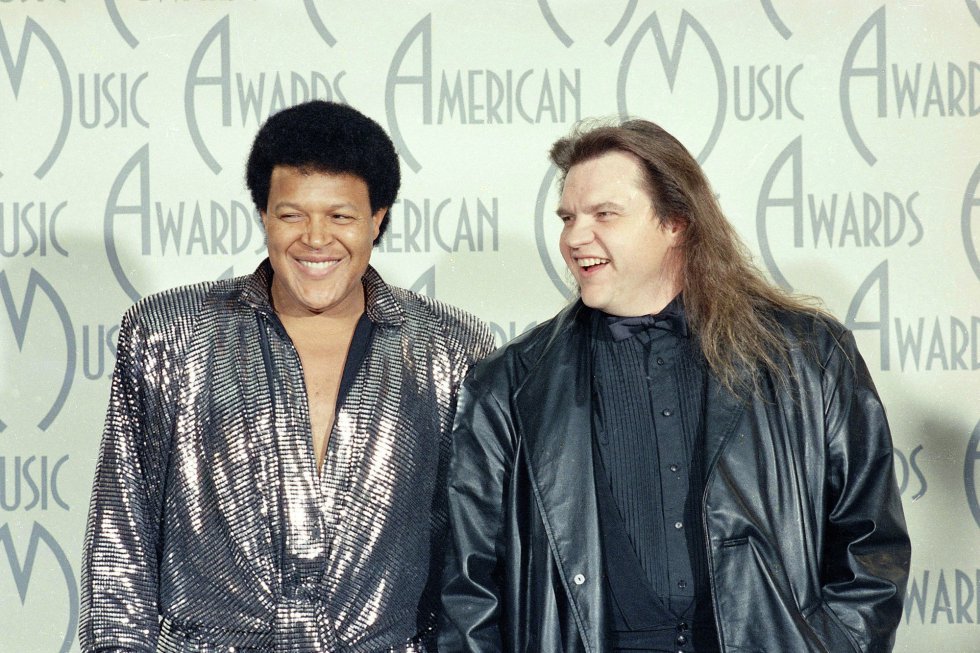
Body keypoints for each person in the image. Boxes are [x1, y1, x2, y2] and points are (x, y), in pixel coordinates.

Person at [440, 119, 911, 652]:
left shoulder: (808, 355)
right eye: (568, 217)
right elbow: (471, 592)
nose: (574, 237)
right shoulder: (509, 385)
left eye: (604, 215)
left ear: (677, 222)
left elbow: (871, 547)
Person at [80, 100, 494, 651]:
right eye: (291, 214)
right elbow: (120, 542)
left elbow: (473, 557)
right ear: (264, 216)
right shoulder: (168, 333)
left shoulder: (451, 347)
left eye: (341, 216)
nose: (315, 239)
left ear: (378, 219)